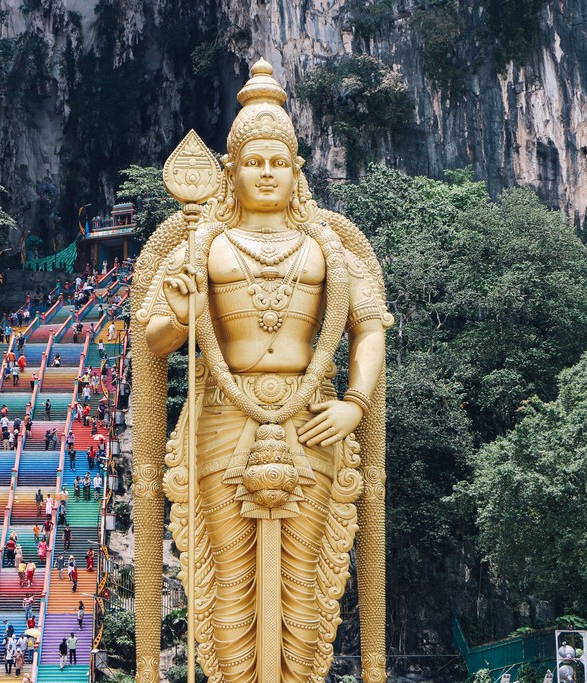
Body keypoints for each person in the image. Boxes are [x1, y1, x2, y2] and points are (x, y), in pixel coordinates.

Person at [132, 60, 391, 683]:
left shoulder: (329, 244)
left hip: (312, 422)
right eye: (255, 162)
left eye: (278, 161)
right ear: (233, 171)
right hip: (223, 417)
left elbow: (370, 327)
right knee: (224, 591)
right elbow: (154, 338)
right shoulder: (200, 243)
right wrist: (186, 310)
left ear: (295, 169)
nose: (267, 173)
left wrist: (354, 402)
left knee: (308, 599)